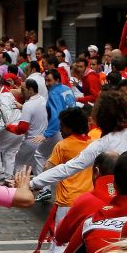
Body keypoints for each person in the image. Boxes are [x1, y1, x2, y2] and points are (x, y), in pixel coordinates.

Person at [41, 107, 95, 253]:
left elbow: (48, 169)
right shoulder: (93, 144)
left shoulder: (62, 146)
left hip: (67, 201)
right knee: (80, 242)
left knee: (60, 242)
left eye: (63, 125)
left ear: (70, 127)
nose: (60, 129)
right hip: (89, 201)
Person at [33, 69, 76, 197]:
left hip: (60, 129)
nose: (47, 83)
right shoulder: (66, 89)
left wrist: (46, 134)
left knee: (40, 154)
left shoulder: (54, 93)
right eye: (45, 80)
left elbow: (56, 116)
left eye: (49, 80)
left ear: (57, 80)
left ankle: (44, 188)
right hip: (72, 128)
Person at [14, 78, 50, 171]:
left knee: (19, 166)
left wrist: (8, 127)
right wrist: (22, 107)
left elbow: (22, 128)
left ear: (30, 90)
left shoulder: (28, 105)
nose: (21, 93)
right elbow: (37, 113)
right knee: (36, 168)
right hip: (42, 141)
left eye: (23, 90)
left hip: (30, 142)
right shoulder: (43, 99)